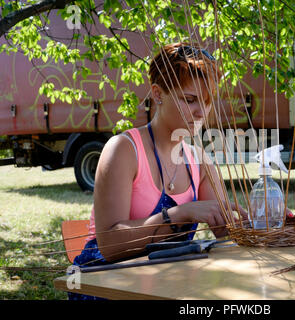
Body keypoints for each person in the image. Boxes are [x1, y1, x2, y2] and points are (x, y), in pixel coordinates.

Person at [68, 42, 246, 300]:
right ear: (158, 93)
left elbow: (224, 232)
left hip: (168, 283)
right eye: (190, 100)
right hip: (106, 282)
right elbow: (109, 246)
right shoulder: (124, 150)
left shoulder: (200, 162)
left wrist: (259, 222)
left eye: (207, 103)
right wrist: (178, 213)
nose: (201, 112)